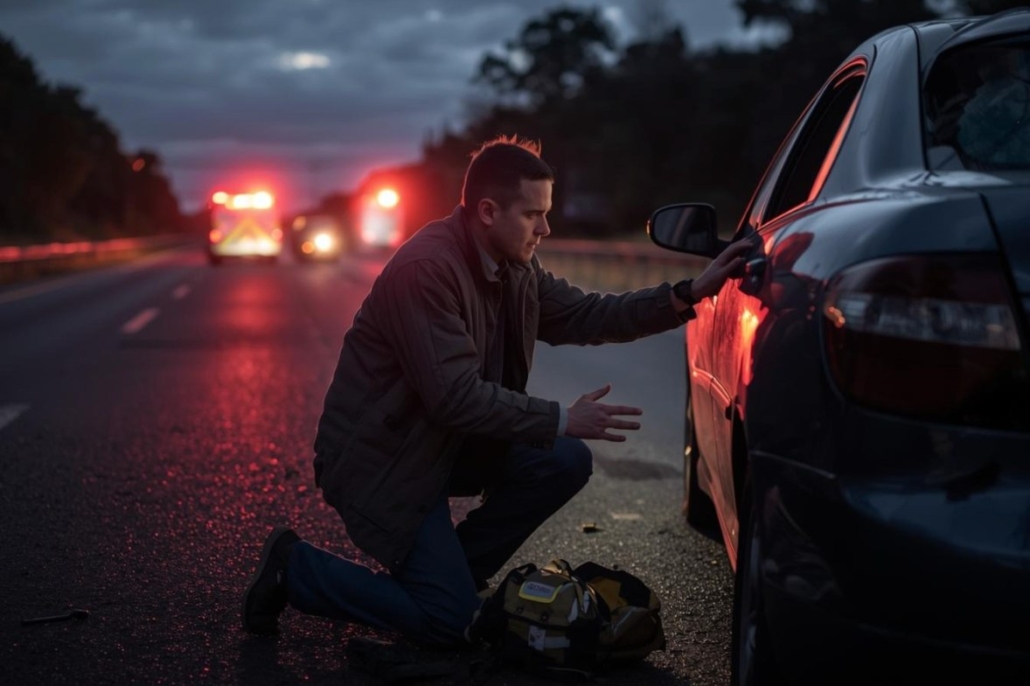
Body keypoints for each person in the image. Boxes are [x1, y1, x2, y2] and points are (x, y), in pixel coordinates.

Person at [241, 135, 751, 645]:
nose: (546, 228)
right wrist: (560, 417)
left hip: (443, 445)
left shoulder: (517, 268)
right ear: (487, 211)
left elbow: (587, 313)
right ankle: (296, 567)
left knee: (564, 459)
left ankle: (449, 584)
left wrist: (687, 294)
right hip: (386, 460)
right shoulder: (427, 270)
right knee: (447, 623)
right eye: (533, 214)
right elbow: (455, 397)